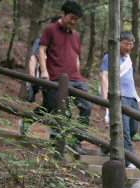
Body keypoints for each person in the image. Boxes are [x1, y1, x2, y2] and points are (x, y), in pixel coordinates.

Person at [39, 1, 92, 155]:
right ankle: (56, 146)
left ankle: (76, 142)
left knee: (87, 106)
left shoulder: (75, 36)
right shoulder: (50, 29)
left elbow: (76, 56)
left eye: (76, 20)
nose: (73, 22)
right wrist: (44, 71)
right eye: (71, 18)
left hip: (76, 78)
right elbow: (42, 50)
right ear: (62, 13)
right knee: (63, 112)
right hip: (57, 77)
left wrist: (77, 70)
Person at [97, 31, 140, 169]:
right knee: (124, 129)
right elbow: (104, 77)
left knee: (132, 129)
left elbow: (130, 82)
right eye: (125, 44)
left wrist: (138, 98)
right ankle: (129, 160)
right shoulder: (110, 57)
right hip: (119, 97)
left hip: (131, 97)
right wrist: (104, 98)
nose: (128, 47)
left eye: (131, 45)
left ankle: (106, 149)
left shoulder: (128, 60)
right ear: (118, 43)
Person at [20, 15, 62, 135]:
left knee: (60, 106)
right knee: (49, 105)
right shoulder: (41, 40)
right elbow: (34, 58)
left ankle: (57, 137)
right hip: (46, 77)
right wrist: (32, 75)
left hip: (60, 78)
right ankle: (28, 120)